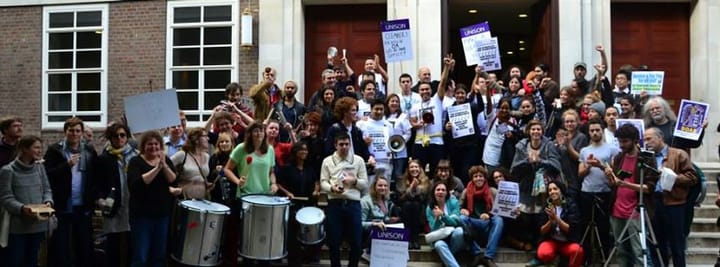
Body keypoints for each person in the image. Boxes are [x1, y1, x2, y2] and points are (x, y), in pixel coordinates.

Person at [43, 117, 97, 267]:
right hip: (62, 203)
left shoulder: (89, 150)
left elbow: (95, 175)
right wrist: (67, 165)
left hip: (83, 204)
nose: (74, 134)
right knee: (60, 244)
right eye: (71, 130)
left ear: (82, 133)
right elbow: (47, 174)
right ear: (65, 132)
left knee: (84, 243)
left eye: (77, 131)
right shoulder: (55, 150)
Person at [605, 124, 659, 267]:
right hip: (617, 210)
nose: (622, 145)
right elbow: (614, 184)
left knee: (639, 252)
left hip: (636, 211)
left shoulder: (646, 159)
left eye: (625, 141)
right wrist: (610, 176)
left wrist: (626, 184)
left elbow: (649, 188)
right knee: (621, 251)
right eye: (620, 141)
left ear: (635, 140)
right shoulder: (619, 158)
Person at [644, 127, 697, 267]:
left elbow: (692, 178)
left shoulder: (679, 154)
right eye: (644, 139)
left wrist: (673, 177)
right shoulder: (648, 157)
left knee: (676, 245)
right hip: (655, 202)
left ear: (660, 138)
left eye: (649, 139)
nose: (646, 142)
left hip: (675, 203)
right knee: (657, 244)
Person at [510, 120, 562, 255]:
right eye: (533, 129)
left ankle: (541, 244)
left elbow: (556, 165)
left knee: (542, 215)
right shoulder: (521, 146)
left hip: (544, 188)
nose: (536, 132)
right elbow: (514, 169)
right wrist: (528, 162)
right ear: (528, 131)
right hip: (526, 186)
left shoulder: (549, 145)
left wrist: (541, 161)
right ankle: (527, 241)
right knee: (525, 217)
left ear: (542, 131)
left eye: (538, 129)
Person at [0, 135, 53, 267]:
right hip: (17, 228)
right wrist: (22, 208)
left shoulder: (40, 168)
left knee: (34, 262)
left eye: (40, 148)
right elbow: (6, 198)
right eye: (36, 147)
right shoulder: (8, 171)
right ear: (24, 149)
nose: (40, 151)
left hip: (38, 225)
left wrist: (48, 202)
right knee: (15, 261)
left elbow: (47, 189)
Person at [127, 131, 177, 267]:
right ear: (143, 146)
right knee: (141, 257)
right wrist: (157, 168)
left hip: (162, 215)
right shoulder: (135, 162)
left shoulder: (165, 160)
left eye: (156, 144)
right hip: (142, 216)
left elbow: (173, 179)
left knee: (159, 256)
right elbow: (138, 183)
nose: (153, 147)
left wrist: (164, 165)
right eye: (150, 144)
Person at [320, 132, 368, 267]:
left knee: (356, 242)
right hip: (335, 203)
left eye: (347, 144)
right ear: (335, 145)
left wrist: (354, 181)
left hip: (353, 204)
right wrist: (331, 188)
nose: (344, 147)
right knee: (334, 242)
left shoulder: (358, 160)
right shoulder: (327, 161)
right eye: (341, 144)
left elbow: (365, 183)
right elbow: (323, 181)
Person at [95, 123, 138, 267]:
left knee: (132, 243)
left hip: (132, 205)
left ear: (127, 137)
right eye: (115, 135)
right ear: (110, 138)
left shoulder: (135, 156)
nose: (119, 138)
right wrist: (100, 198)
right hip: (113, 205)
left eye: (122, 135)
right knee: (113, 244)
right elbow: (97, 182)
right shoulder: (104, 158)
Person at [577, 118, 618, 265]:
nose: (595, 133)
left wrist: (601, 166)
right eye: (592, 130)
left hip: (604, 191)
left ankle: (603, 257)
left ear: (602, 130)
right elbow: (580, 174)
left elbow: (614, 172)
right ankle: (587, 258)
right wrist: (588, 165)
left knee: (603, 226)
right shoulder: (584, 151)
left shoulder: (612, 149)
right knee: (586, 225)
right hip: (587, 191)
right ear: (589, 132)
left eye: (597, 130)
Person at [278, 141, 321, 266]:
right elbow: (278, 184)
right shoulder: (287, 168)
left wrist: (316, 190)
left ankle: (309, 258)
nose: (304, 152)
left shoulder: (309, 168)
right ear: (295, 152)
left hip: (307, 206)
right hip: (293, 206)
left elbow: (316, 182)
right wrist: (287, 193)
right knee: (293, 238)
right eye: (301, 150)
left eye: (306, 150)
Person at [410, 54, 451, 177]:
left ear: (431, 90)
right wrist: (417, 124)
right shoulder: (414, 107)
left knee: (436, 172)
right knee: (418, 171)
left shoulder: (436, 100)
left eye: (427, 89)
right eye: (422, 90)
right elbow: (412, 123)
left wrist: (447, 67)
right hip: (419, 143)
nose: (425, 92)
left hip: (436, 142)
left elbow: (443, 83)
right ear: (418, 92)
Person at [459, 165, 503, 267]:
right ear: (472, 178)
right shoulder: (466, 191)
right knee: (461, 218)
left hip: (487, 225)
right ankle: (477, 253)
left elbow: (500, 210)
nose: (478, 178)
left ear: (485, 178)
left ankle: (488, 256)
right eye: (476, 176)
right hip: (472, 225)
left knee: (499, 219)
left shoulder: (492, 191)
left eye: (481, 176)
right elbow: (458, 208)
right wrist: (462, 210)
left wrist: (489, 214)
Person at [533, 181, 584, 267]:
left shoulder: (571, 205)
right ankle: (555, 258)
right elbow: (542, 231)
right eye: (550, 190)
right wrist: (550, 221)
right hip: (552, 241)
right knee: (543, 253)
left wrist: (556, 218)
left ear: (561, 191)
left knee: (578, 251)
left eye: (555, 189)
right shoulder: (547, 206)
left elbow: (570, 229)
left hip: (568, 242)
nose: (552, 192)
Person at [224, 122, 278, 196]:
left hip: (266, 194)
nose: (259, 133)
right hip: (246, 194)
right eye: (256, 131)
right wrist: (238, 181)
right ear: (250, 134)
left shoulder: (270, 149)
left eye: (261, 131)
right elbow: (227, 169)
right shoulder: (241, 148)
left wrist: (273, 184)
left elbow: (271, 172)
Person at [425, 181, 467, 267]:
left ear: (447, 193)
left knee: (459, 231)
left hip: (454, 237)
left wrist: (443, 216)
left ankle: (447, 257)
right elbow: (433, 229)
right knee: (438, 245)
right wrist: (437, 218)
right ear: (434, 192)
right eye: (438, 190)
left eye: (443, 190)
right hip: (439, 237)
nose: (440, 192)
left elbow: (456, 222)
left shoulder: (453, 203)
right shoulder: (429, 208)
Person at [359, 176, 400, 261]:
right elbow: (359, 223)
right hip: (368, 232)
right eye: (380, 185)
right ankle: (367, 252)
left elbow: (383, 217)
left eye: (385, 186)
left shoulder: (385, 200)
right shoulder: (365, 201)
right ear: (374, 187)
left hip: (382, 228)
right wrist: (374, 224)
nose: (383, 188)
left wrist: (390, 219)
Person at [396, 159, 430, 249]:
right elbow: (400, 199)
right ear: (408, 169)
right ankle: (409, 239)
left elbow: (423, 198)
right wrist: (411, 188)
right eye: (411, 167)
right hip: (405, 211)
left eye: (416, 167)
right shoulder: (401, 180)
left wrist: (416, 188)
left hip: (420, 211)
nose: (414, 169)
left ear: (420, 169)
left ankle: (415, 239)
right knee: (408, 204)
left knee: (415, 205)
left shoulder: (426, 180)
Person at [356, 99, 392, 184]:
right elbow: (356, 144)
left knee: (384, 188)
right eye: (376, 109)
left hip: (386, 161)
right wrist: (363, 143)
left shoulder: (389, 125)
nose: (379, 111)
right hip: (370, 162)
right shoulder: (361, 124)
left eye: (381, 109)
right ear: (371, 109)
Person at [170, 127, 211, 199]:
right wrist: (169, 188)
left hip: (203, 199)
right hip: (184, 199)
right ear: (196, 140)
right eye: (205, 136)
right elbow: (164, 167)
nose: (208, 139)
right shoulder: (182, 155)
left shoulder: (207, 156)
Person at [385, 93, 412, 186]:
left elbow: (408, 133)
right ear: (387, 103)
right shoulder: (383, 117)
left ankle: (399, 195)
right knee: (387, 173)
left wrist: (399, 142)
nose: (394, 103)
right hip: (386, 151)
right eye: (392, 101)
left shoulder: (403, 116)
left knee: (398, 174)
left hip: (400, 151)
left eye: (397, 101)